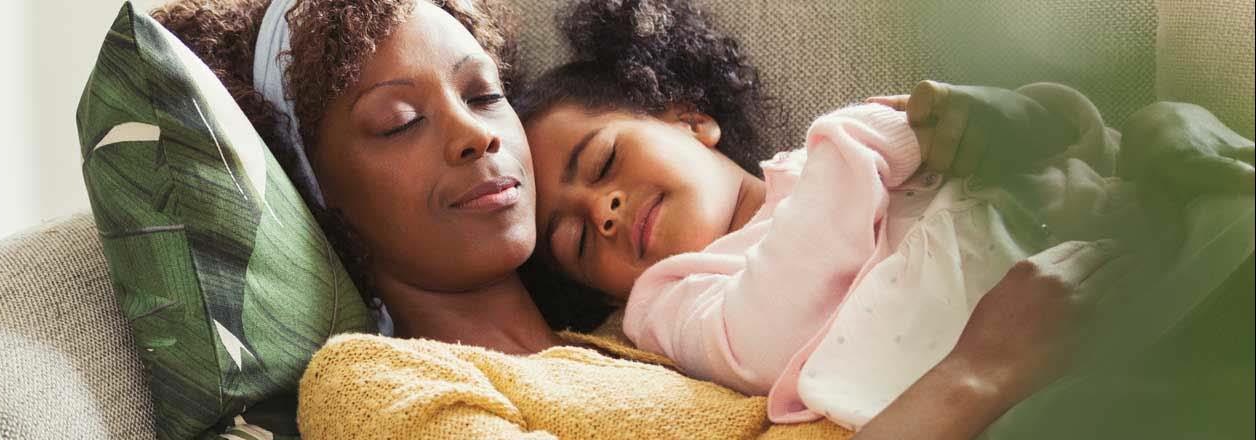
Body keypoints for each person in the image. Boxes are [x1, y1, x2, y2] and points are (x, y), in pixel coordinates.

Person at [152, 0, 1118, 438]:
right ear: (323, 205)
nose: (475, 138)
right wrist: (979, 375)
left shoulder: (644, 329)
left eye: (483, 98)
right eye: (399, 121)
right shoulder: (374, 383)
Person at [517, 0, 1254, 431]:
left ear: (687, 117)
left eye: (605, 164)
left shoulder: (823, 167)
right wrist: (864, 136)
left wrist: (1025, 114)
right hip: (1055, 381)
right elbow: (766, 337)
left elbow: (1046, 147)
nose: (604, 212)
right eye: (577, 238)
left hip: (1128, 245)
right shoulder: (671, 300)